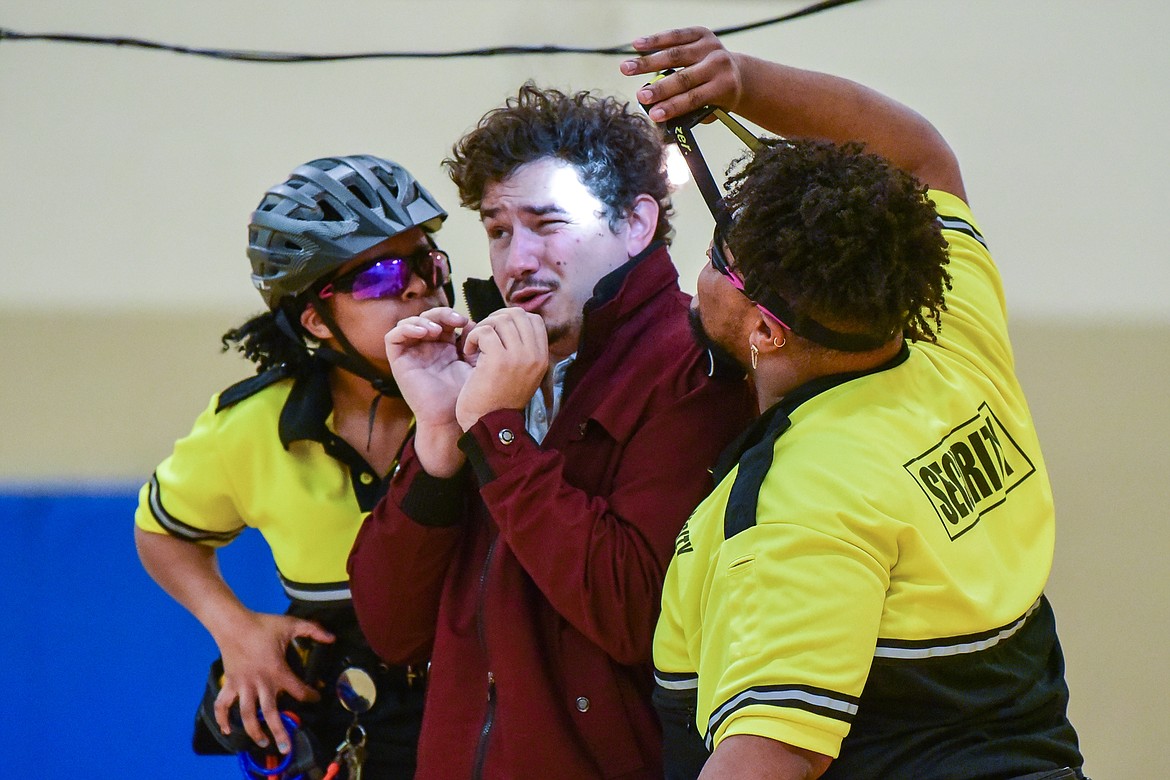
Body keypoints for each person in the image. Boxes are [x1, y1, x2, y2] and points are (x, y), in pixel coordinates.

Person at [622, 27, 1088, 780]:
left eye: (716, 261)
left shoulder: (800, 502)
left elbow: (767, 759)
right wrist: (741, 81)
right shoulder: (947, 339)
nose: (700, 272)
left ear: (766, 331)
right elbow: (918, 157)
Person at [347, 85, 755, 778]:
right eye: (500, 230)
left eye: (548, 222)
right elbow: (392, 631)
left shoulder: (692, 369)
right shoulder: (491, 373)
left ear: (635, 224)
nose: (517, 262)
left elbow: (633, 619)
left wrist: (502, 436)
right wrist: (442, 441)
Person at [134, 154, 452, 778]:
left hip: (482, 700)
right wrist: (235, 629)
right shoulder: (249, 426)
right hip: (350, 715)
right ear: (316, 318)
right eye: (380, 275)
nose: (417, 286)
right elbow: (161, 532)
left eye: (426, 262)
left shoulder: (498, 390)